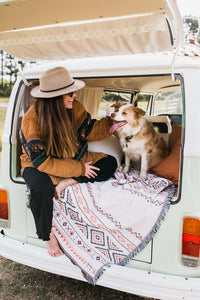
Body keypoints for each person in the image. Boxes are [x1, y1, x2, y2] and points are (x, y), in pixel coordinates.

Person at [20, 67, 117, 257]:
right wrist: (80, 169)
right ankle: (47, 235)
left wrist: (113, 123)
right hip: (40, 164)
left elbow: (90, 131)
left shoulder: (76, 108)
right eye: (69, 93)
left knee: (110, 163)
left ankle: (68, 182)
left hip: (73, 156)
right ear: (55, 98)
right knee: (40, 188)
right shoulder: (31, 121)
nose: (74, 94)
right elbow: (42, 162)